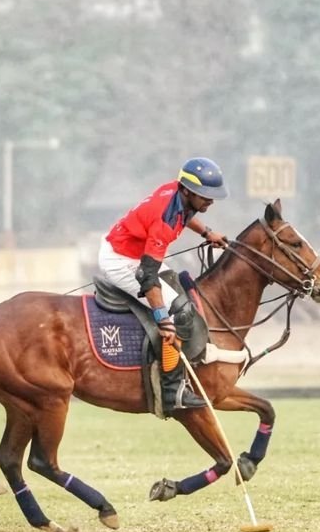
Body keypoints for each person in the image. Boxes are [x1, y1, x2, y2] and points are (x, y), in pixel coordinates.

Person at [98, 157, 229, 411]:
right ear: (187, 191)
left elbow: (187, 214)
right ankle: (171, 391)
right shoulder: (164, 219)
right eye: (205, 196)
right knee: (177, 313)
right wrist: (162, 318)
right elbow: (147, 275)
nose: (210, 201)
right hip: (121, 260)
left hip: (132, 250)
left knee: (184, 301)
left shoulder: (180, 194)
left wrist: (207, 233)